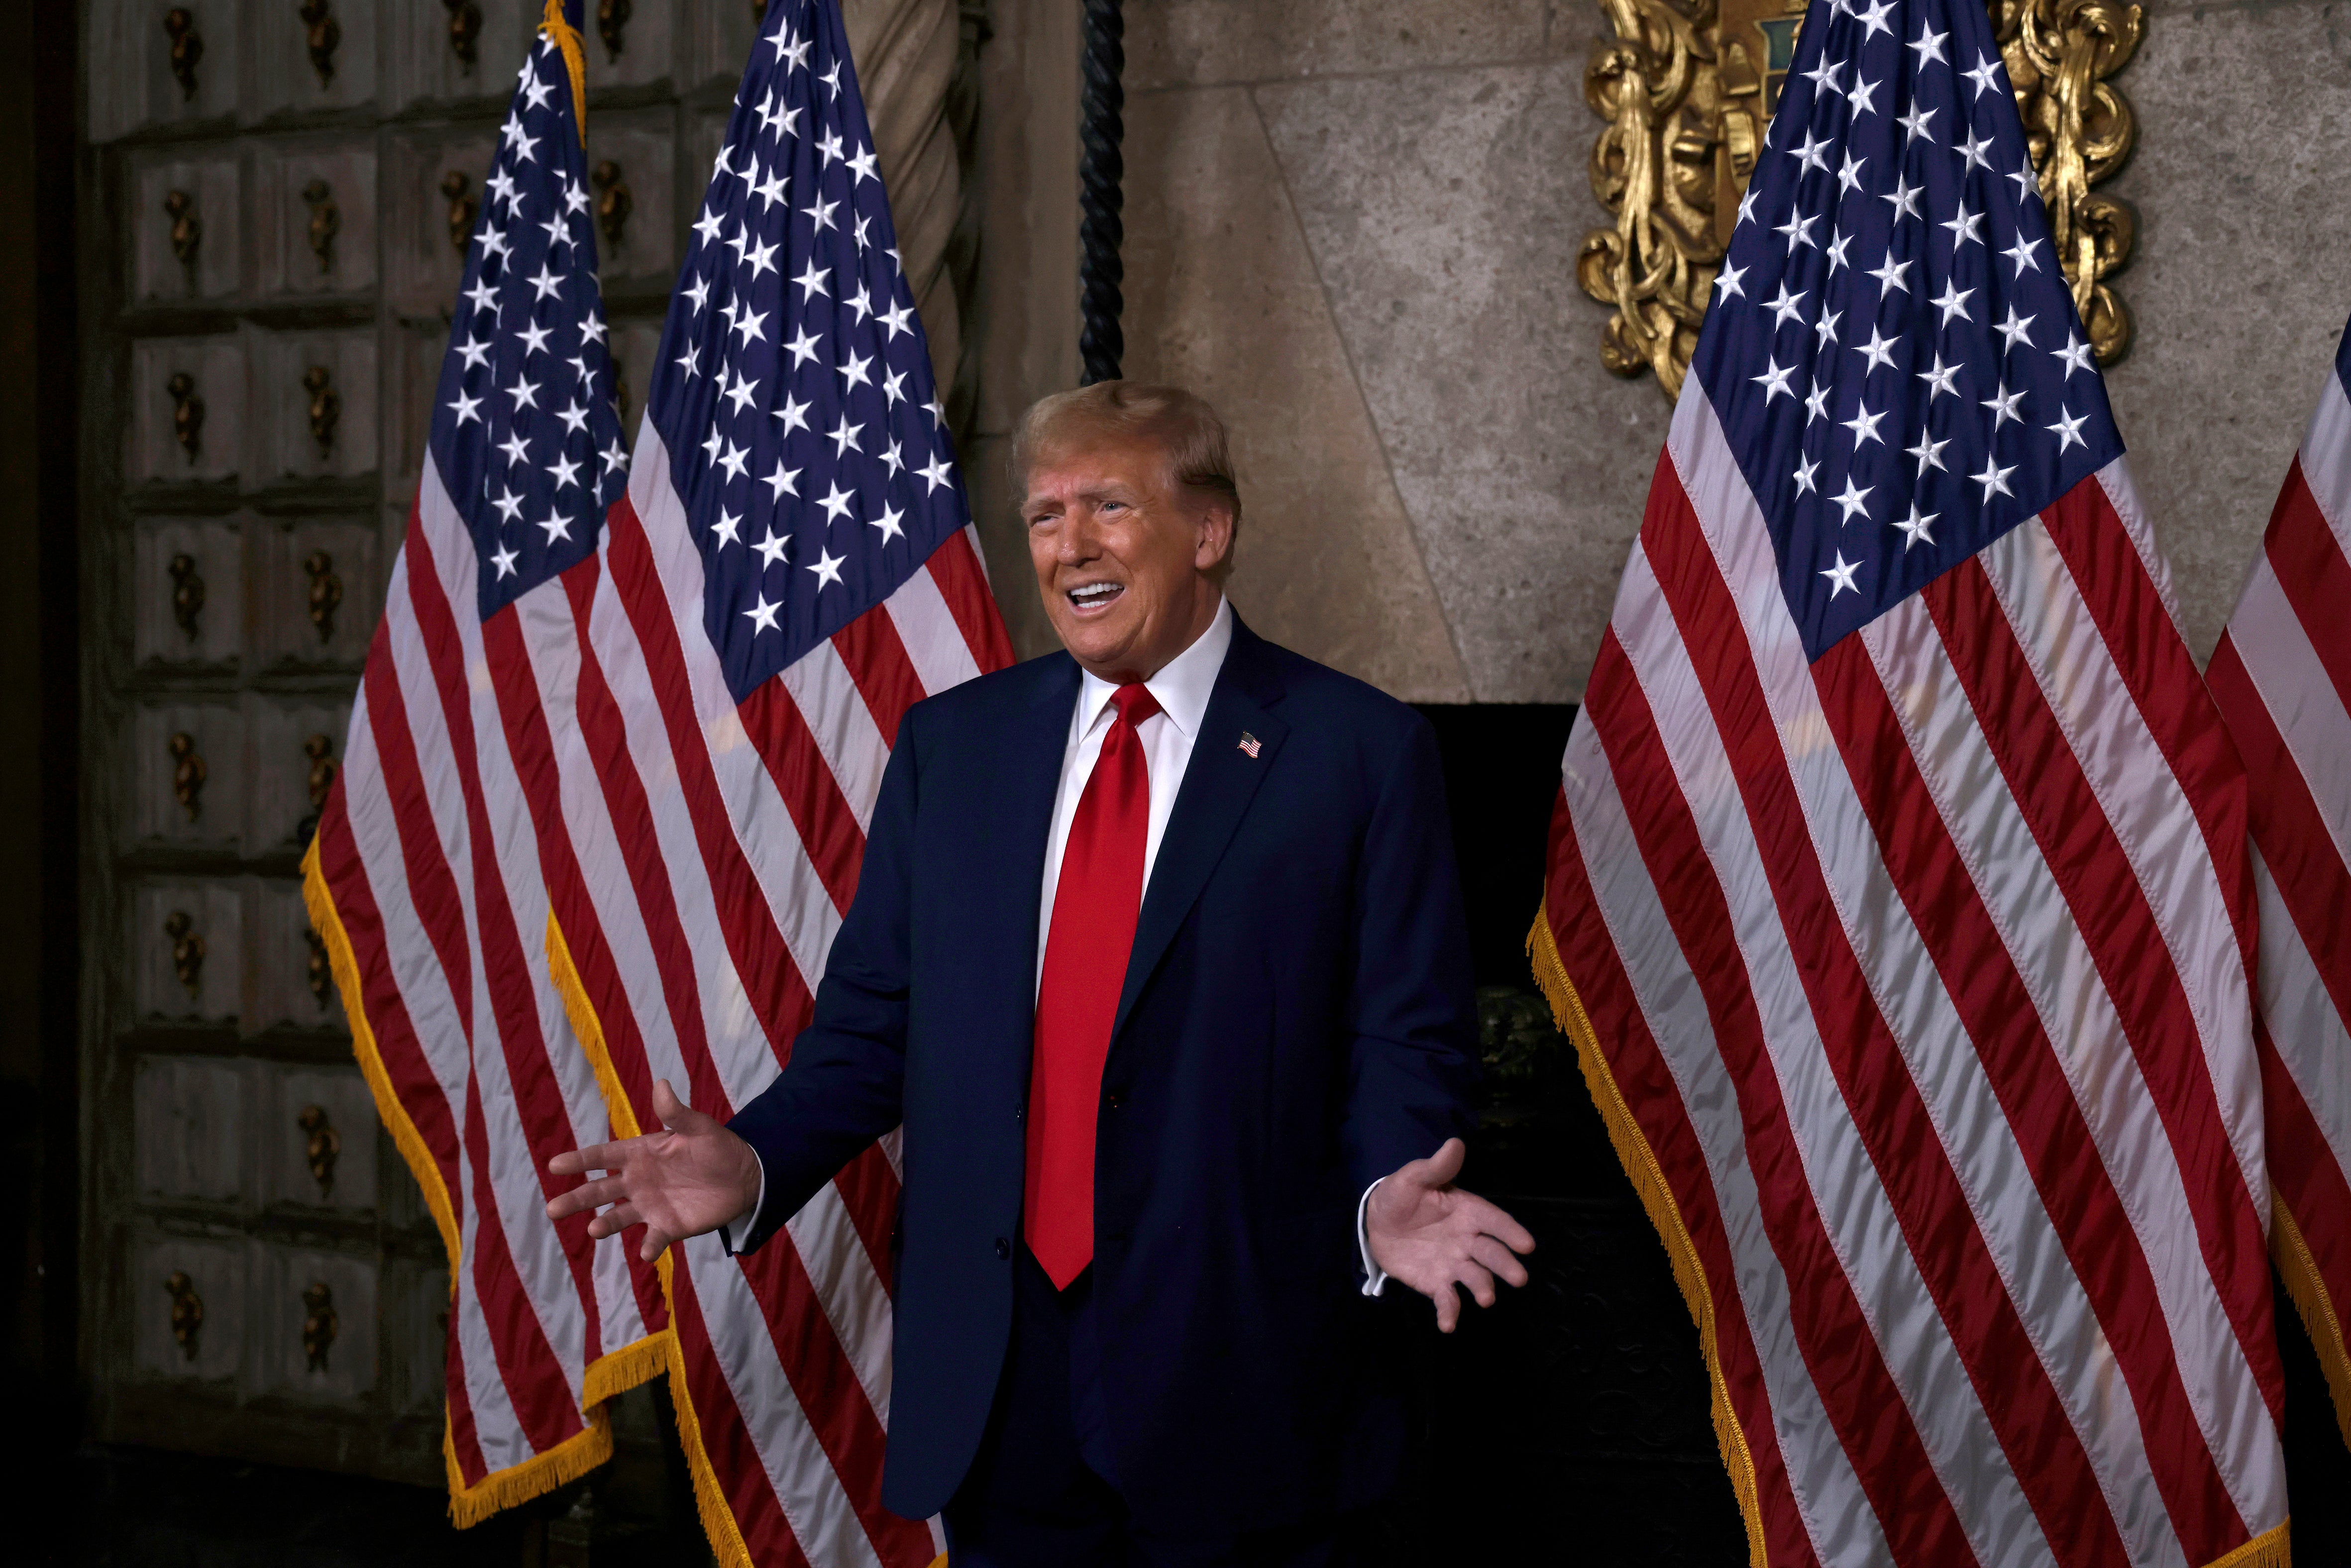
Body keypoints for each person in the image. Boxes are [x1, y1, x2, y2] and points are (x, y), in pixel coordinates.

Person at [548, 381, 1534, 1565]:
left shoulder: (1359, 752)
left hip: (1238, 1371)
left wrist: (1383, 1203)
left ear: (1208, 530)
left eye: (1109, 506)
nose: (1070, 546)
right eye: (1045, 514)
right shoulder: (953, 749)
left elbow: (1404, 1039)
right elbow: (872, 1029)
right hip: (1003, 1388)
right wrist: (758, 1156)